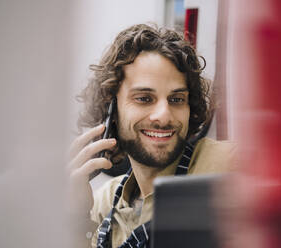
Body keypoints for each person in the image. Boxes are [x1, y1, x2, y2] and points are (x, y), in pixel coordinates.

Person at [68, 24, 235, 248]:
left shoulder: (229, 165)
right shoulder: (102, 203)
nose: (164, 116)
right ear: (112, 110)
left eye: (176, 100)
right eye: (144, 98)